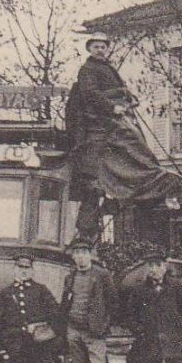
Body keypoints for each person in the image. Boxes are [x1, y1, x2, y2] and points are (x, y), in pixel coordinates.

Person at [64, 33, 138, 241]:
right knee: (92, 174)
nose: (100, 49)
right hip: (97, 122)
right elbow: (90, 94)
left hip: (112, 121)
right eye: (95, 46)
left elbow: (117, 90)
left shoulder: (107, 69)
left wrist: (127, 99)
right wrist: (112, 107)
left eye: (103, 46)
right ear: (89, 49)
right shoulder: (88, 69)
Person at [0, 253, 65, 363]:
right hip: (17, 342)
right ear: (14, 269)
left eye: (27, 268)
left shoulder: (41, 290)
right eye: (20, 267)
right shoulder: (6, 293)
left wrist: (44, 330)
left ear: (32, 271)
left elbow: (55, 313)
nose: (23, 271)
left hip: (39, 342)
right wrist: (8, 340)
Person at [61, 237, 117, 363]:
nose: (80, 257)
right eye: (76, 253)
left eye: (83, 253)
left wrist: (103, 325)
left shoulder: (102, 275)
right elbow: (66, 302)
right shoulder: (71, 277)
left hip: (94, 333)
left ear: (90, 255)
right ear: (73, 256)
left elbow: (112, 303)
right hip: (74, 330)